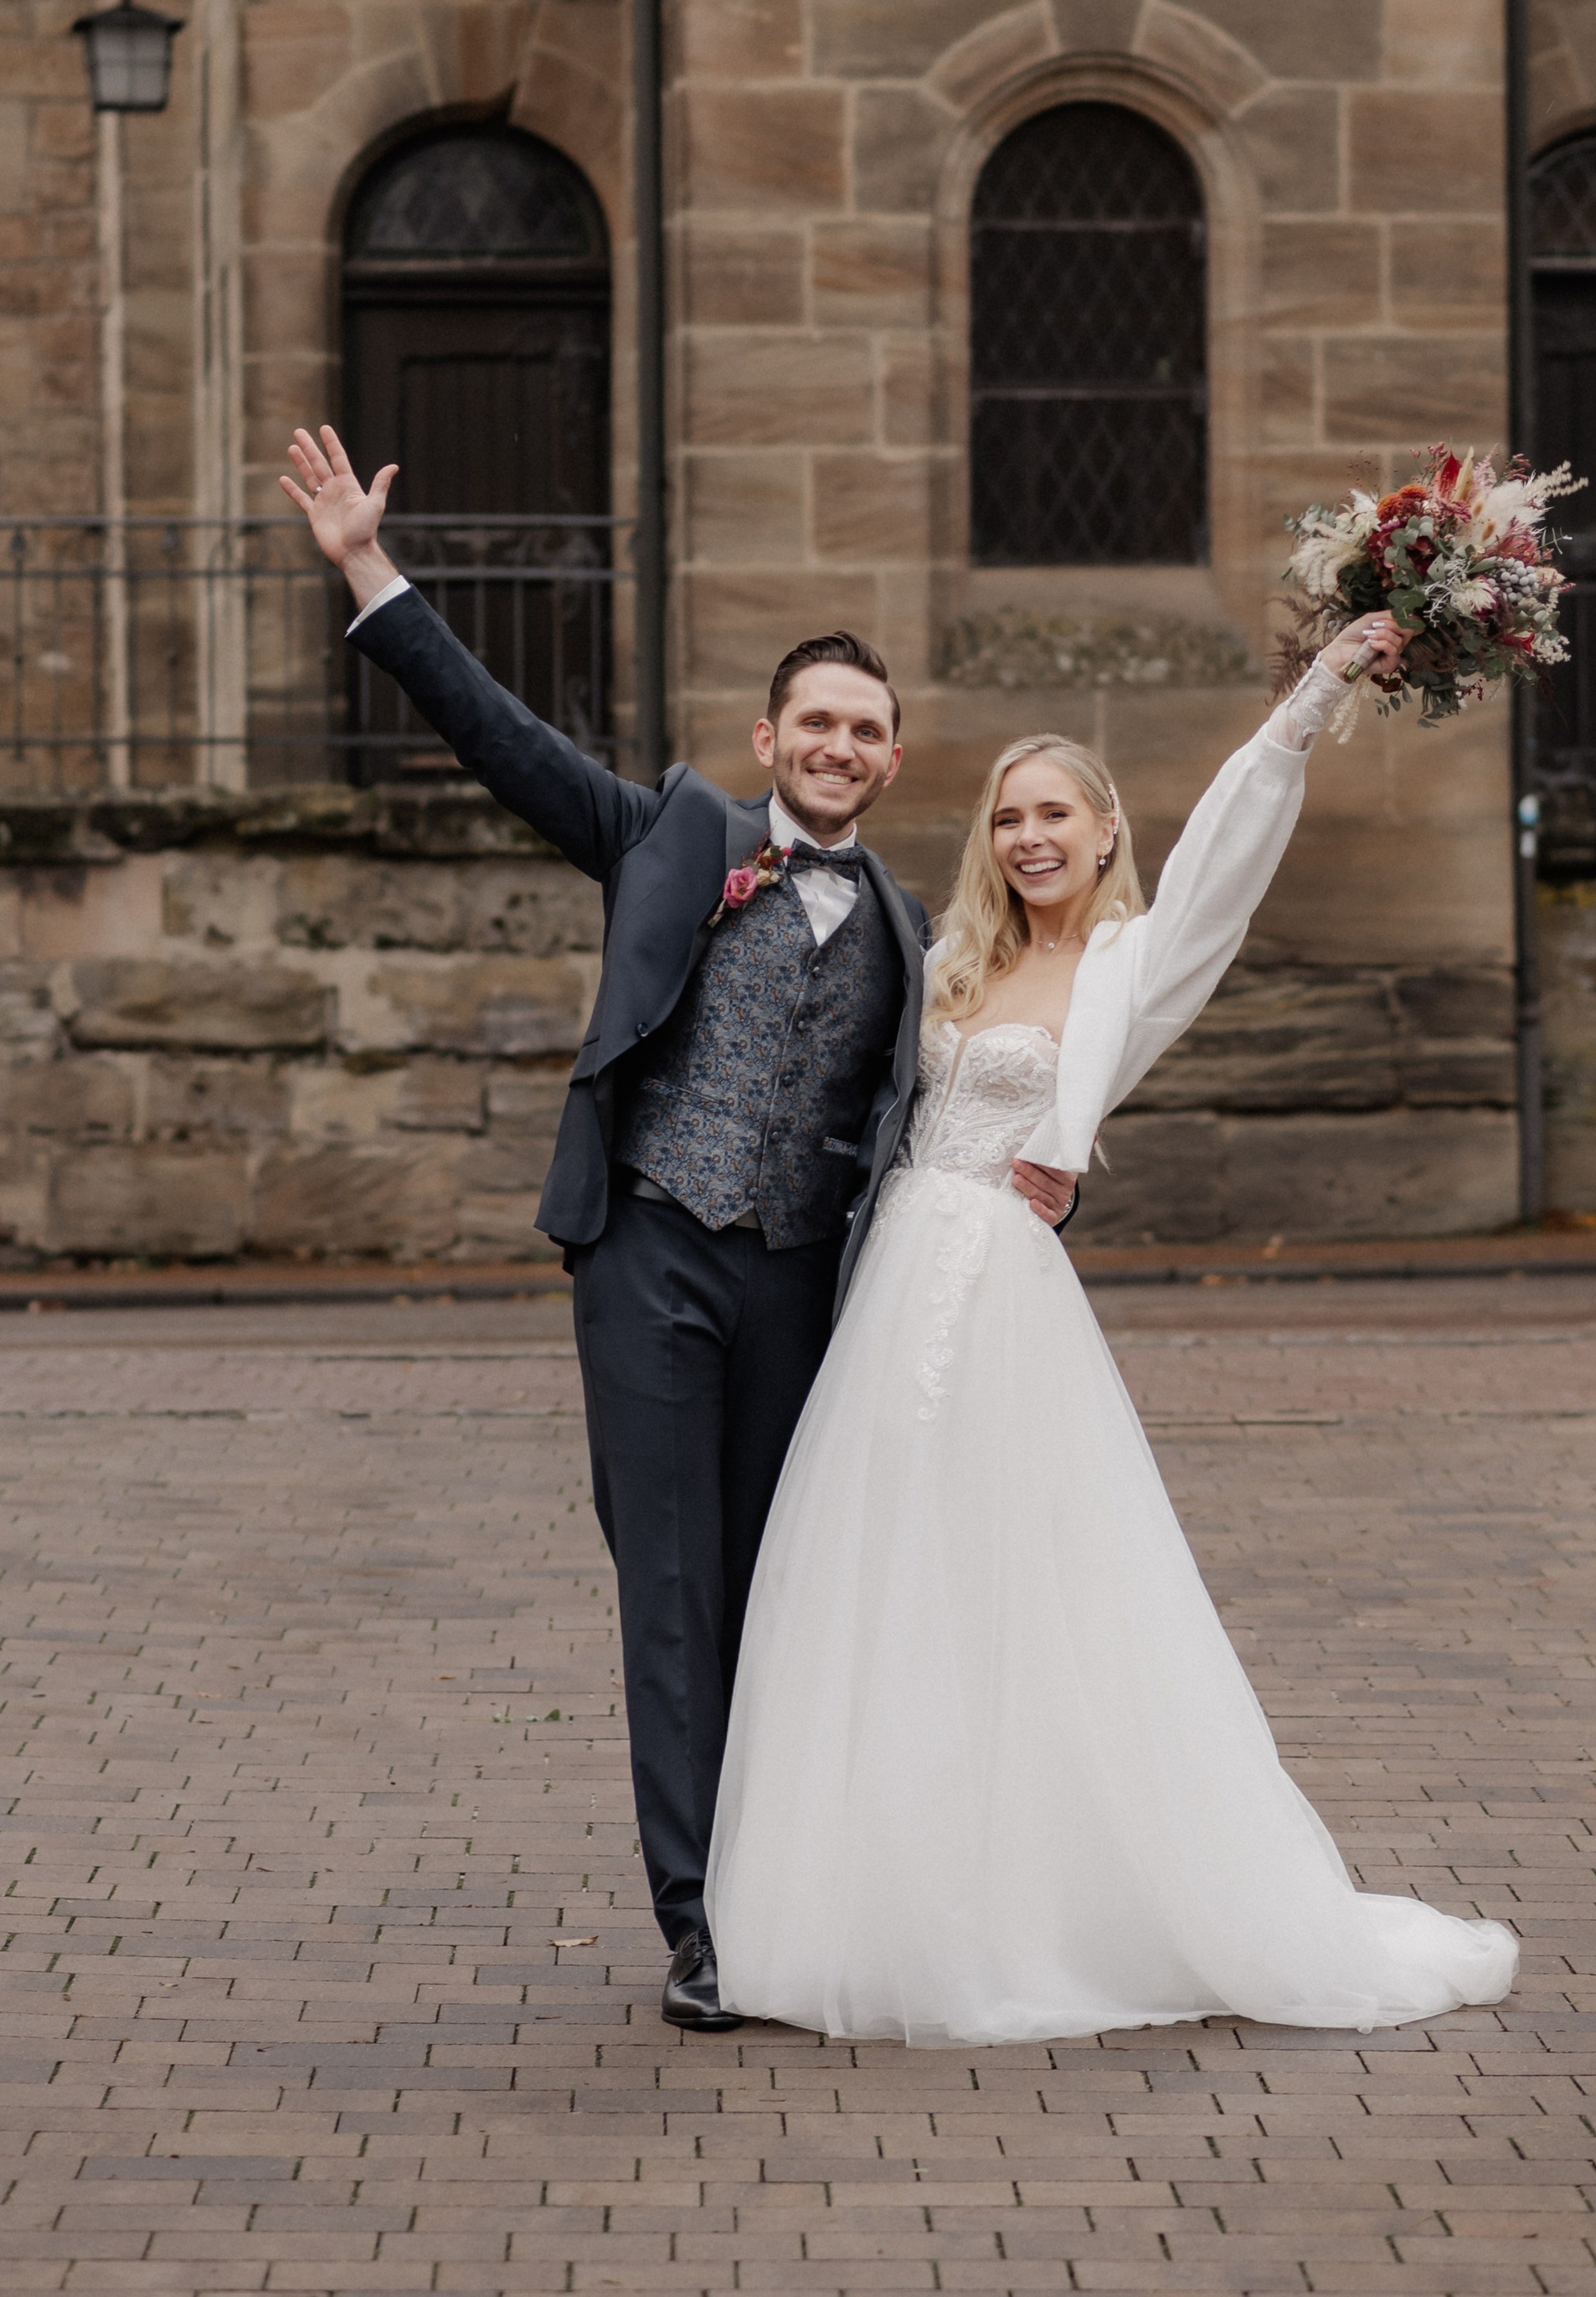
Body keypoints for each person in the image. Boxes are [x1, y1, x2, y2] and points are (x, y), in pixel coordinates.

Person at [276, 425, 1079, 2032]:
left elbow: (976, 1091)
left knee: (781, 1590)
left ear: (892, 763)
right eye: (817, 721)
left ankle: (789, 1885)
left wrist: (1053, 1166)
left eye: (868, 730)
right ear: (766, 733)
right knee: (670, 1592)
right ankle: (702, 1924)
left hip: (800, 1287)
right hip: (650, 1258)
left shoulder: (922, 932)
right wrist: (369, 569)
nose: (839, 746)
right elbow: (502, 740)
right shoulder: (672, 835)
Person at [705, 618, 1521, 2045]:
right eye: (1008, 815)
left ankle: (1045, 1912)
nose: (1028, 836)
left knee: (1030, 1603)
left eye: (1054, 814)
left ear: (1102, 832)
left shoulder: (1139, 959)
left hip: (1004, 1305)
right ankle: (864, 1899)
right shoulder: (952, 951)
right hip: (889, 1284)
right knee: (881, 1591)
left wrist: (1313, 694)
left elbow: (1227, 852)